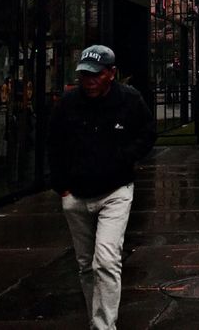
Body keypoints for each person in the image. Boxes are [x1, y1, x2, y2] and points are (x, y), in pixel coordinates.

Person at [48, 45, 156, 330]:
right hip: (76, 194)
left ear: (111, 74)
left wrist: (123, 158)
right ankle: (95, 318)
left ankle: (104, 326)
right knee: (86, 265)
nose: (89, 81)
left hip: (115, 191)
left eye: (95, 75)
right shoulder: (69, 103)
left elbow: (148, 134)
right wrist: (61, 187)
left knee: (106, 260)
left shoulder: (129, 100)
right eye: (85, 75)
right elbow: (54, 144)